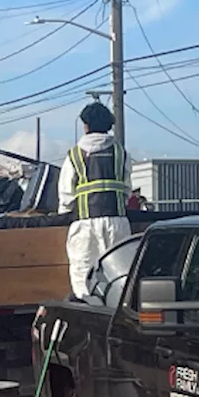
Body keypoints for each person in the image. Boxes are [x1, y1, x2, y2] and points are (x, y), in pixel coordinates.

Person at [59, 102, 132, 300]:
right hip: (117, 222)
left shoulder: (74, 154)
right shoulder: (120, 152)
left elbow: (66, 194)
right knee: (118, 271)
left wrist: (63, 212)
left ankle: (86, 309)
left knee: (82, 271)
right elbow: (127, 188)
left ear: (86, 125)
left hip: (84, 223)